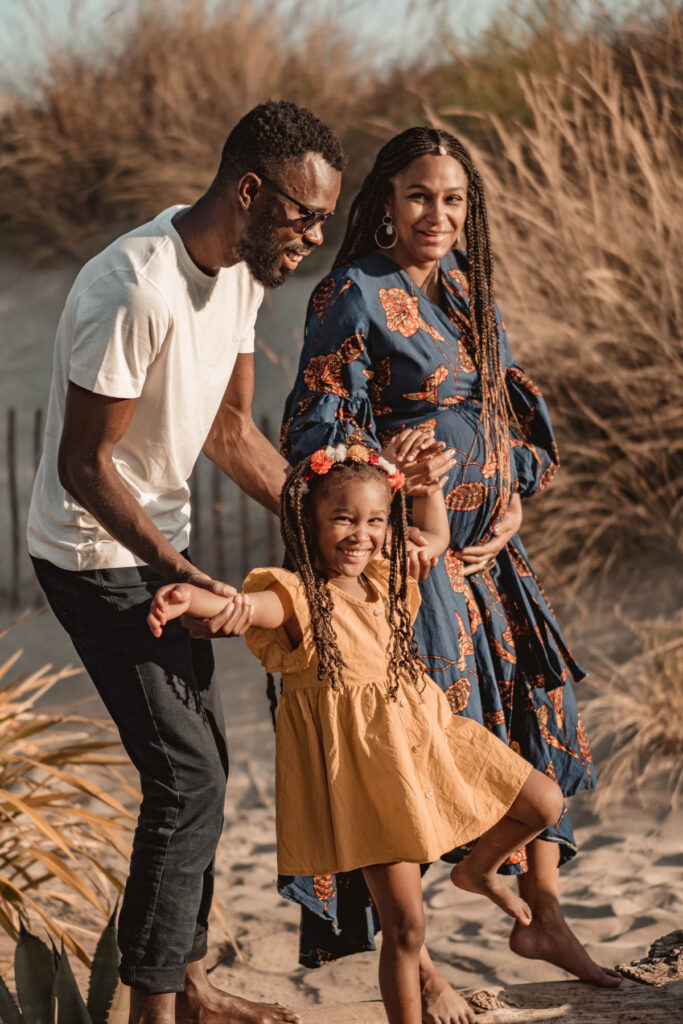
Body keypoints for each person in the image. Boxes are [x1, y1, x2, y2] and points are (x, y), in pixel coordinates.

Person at [279, 126, 622, 1001]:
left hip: (490, 553)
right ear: (387, 203)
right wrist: (397, 473)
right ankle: (418, 960)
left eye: (455, 199)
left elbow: (510, 412)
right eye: (421, 195)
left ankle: (540, 912)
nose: (439, 214)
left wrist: (512, 496)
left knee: (540, 709)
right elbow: (316, 435)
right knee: (419, 750)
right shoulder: (351, 292)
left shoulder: (471, 291)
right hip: (411, 561)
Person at [27, 99, 345, 1024]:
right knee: (188, 777)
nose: (314, 237)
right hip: (93, 554)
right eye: (302, 215)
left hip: (161, 548)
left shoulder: (242, 271)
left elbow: (228, 428)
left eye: (325, 218)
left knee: (203, 758)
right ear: (248, 191)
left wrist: (319, 519)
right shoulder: (131, 286)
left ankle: (186, 980)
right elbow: (83, 466)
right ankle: (154, 1007)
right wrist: (178, 566)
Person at [148, 442, 566, 1024]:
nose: (360, 534)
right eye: (342, 518)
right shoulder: (296, 596)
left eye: (374, 520)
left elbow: (435, 539)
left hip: (433, 738)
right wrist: (187, 596)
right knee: (406, 927)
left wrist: (427, 491)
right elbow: (247, 606)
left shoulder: (385, 577)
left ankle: (476, 870)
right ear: (308, 522)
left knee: (545, 802)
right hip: (372, 777)